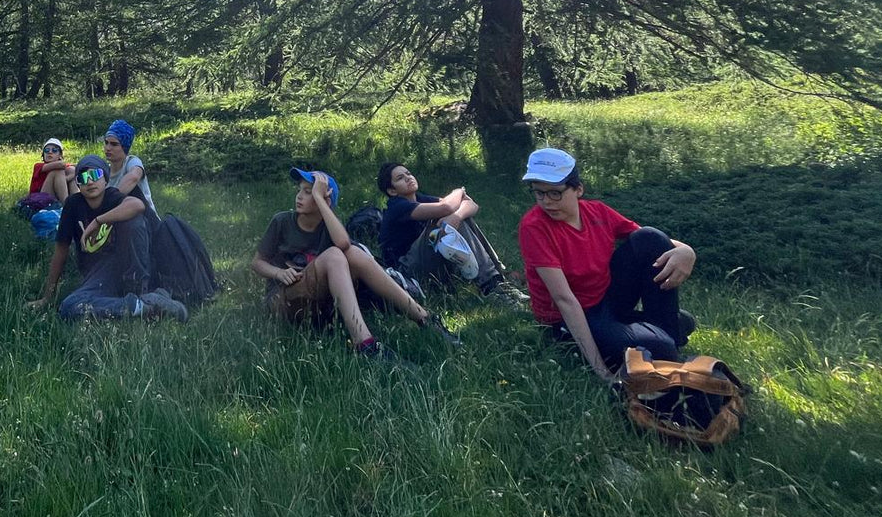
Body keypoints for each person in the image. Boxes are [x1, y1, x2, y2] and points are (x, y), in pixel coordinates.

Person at [517, 147, 697, 380]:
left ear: (578, 189)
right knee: (663, 341)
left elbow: (651, 241)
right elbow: (564, 300)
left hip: (605, 299)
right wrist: (601, 370)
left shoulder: (598, 212)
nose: (546, 202)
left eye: (555, 193)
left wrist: (687, 251)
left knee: (650, 237)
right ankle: (665, 346)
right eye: (539, 193)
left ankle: (667, 346)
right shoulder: (534, 227)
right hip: (571, 317)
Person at [251, 167, 459, 358]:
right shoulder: (282, 221)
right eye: (300, 190)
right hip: (283, 299)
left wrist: (321, 200)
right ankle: (364, 344)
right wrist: (278, 273)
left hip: (319, 304)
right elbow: (258, 262)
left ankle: (424, 318)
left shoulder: (328, 227)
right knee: (335, 255)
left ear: (326, 200)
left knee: (352, 252)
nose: (299, 196)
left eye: (308, 192)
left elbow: (343, 243)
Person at [27, 154, 186, 322]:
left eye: (95, 175)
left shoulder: (112, 196)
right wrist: (47, 297)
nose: (90, 181)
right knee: (70, 307)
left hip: (128, 268)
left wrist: (98, 221)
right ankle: (144, 305)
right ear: (78, 183)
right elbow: (61, 251)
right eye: (83, 177)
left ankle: (139, 291)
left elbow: (137, 205)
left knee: (134, 221)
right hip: (99, 274)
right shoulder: (73, 205)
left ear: (105, 179)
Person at [377, 161, 528, 307]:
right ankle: (491, 287)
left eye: (408, 173)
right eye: (400, 178)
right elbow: (446, 207)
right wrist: (458, 192)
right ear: (392, 191)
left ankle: (498, 281)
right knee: (448, 219)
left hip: (429, 263)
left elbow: (472, 205)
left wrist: (457, 216)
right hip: (407, 273)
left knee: (458, 217)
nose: (408, 178)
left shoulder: (420, 198)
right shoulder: (396, 207)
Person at [102, 119, 155, 216]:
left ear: (124, 147)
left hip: (145, 219)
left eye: (114, 144)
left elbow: (134, 176)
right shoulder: (104, 171)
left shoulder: (131, 161)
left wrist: (110, 202)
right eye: (106, 143)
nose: (108, 148)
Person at [29, 137, 77, 203]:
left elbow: (76, 167)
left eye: (54, 150)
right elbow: (61, 165)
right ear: (43, 154)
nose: (50, 152)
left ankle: (77, 204)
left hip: (53, 197)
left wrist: (66, 178)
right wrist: (65, 179)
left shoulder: (63, 166)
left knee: (71, 170)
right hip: (39, 200)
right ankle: (66, 205)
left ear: (60, 155)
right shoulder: (38, 166)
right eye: (47, 150)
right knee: (58, 171)